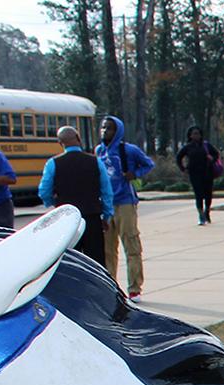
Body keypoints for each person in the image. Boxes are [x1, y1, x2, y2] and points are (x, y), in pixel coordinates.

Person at [95, 115, 155, 299]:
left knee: (131, 244)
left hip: (125, 203)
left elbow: (148, 164)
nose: (105, 131)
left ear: (118, 131)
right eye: (103, 128)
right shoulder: (99, 151)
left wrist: (134, 174)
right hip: (106, 205)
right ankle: (110, 285)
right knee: (107, 249)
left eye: (110, 128)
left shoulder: (128, 150)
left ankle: (134, 288)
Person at [38, 125, 114, 265]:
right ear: (79, 139)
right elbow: (107, 191)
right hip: (92, 216)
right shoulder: (95, 162)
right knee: (96, 261)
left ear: (60, 143)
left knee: (71, 260)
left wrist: (54, 205)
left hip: (67, 218)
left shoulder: (53, 163)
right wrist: (106, 215)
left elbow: (44, 191)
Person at [175, 126, 221, 225]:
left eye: (198, 133)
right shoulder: (188, 147)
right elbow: (178, 157)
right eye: (194, 134)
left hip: (207, 173)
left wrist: (212, 159)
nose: (196, 135)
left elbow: (216, 154)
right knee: (198, 194)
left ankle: (207, 211)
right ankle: (201, 215)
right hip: (194, 174)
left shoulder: (206, 145)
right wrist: (183, 168)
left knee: (208, 194)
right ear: (190, 136)